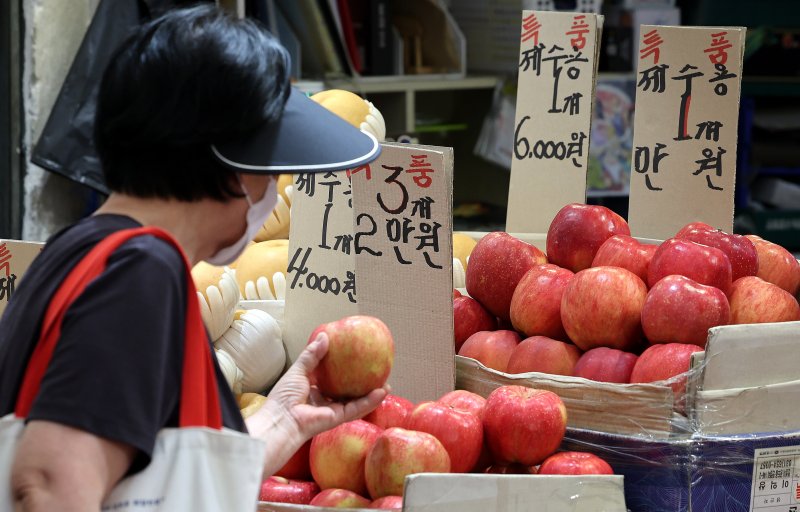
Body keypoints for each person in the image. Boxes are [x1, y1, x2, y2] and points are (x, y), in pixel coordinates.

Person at [0, 5, 385, 510]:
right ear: (228, 163)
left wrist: (281, 421)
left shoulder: (79, 250)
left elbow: (151, 472)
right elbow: (47, 486)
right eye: (270, 166)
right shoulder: (142, 270)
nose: (272, 188)